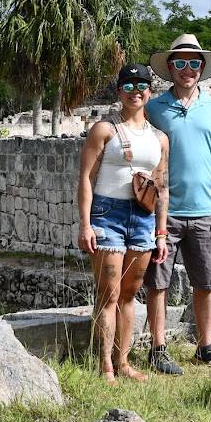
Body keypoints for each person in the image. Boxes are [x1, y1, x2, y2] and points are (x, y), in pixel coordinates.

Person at [143, 34, 211, 375]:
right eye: (180, 62)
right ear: (170, 67)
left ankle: (205, 345)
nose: (187, 69)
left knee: (207, 281)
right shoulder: (153, 108)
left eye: (194, 63)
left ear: (202, 68)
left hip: (204, 211)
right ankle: (157, 348)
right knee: (158, 282)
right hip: (162, 213)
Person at [77, 62, 169, 384]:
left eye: (141, 86)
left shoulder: (160, 139)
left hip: (143, 218)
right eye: (128, 86)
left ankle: (124, 362)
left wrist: (161, 232)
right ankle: (105, 366)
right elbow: (86, 179)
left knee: (129, 295)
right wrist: (85, 225)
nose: (135, 92)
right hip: (107, 214)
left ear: (149, 91)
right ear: (119, 91)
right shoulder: (104, 129)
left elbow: (161, 187)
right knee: (109, 294)